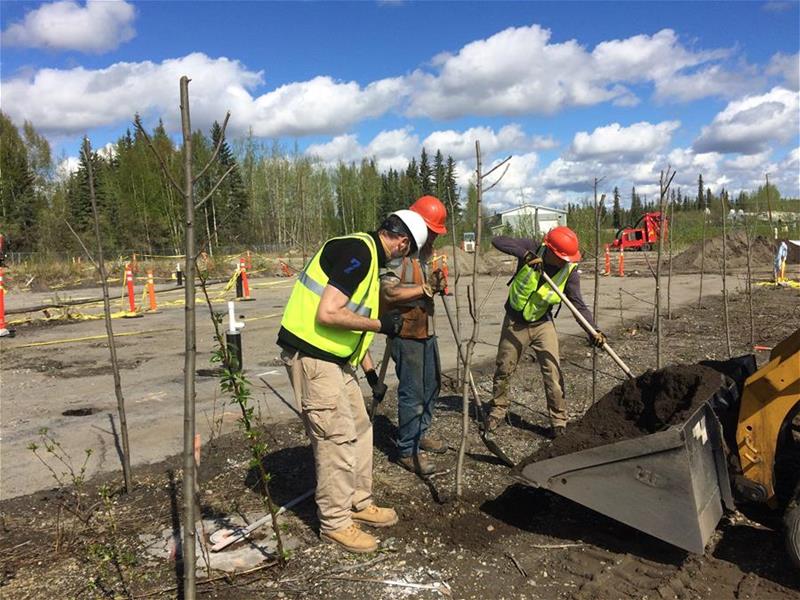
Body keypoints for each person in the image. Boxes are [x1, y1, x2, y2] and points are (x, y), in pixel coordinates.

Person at [277, 210, 428, 553]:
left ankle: (359, 503)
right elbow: (328, 313)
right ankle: (335, 523)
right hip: (312, 357)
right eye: (409, 250)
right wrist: (381, 325)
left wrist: (371, 374)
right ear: (403, 242)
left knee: (361, 428)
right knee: (336, 438)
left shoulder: (369, 259)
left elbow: (350, 325)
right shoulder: (359, 253)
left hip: (336, 360)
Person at [483, 226, 605, 440]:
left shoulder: (570, 272)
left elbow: (578, 305)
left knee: (553, 372)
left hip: (542, 324)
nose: (566, 261)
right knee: (504, 368)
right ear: (550, 250)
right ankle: (498, 410)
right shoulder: (532, 248)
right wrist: (525, 255)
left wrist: (592, 330)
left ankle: (558, 421)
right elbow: (498, 240)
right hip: (515, 322)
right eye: (562, 257)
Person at [380, 196, 449, 476]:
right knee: (413, 393)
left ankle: (420, 433)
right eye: (431, 230)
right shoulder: (400, 254)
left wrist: (437, 284)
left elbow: (428, 285)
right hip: (406, 333)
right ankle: (407, 450)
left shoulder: (425, 253)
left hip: (426, 331)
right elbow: (388, 292)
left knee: (432, 385)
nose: (434, 236)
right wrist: (425, 291)